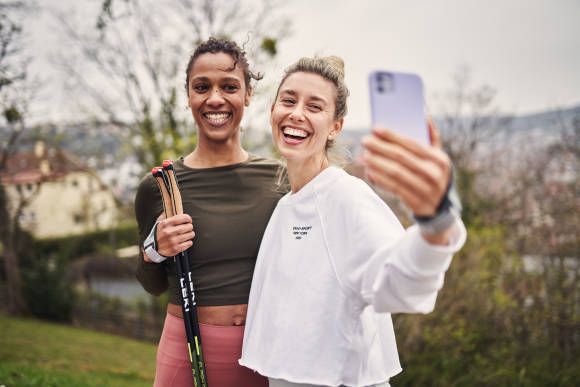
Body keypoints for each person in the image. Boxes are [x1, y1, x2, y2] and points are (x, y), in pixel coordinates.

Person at [239, 56, 467, 387]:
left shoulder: (347, 197)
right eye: (288, 100)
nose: (297, 113)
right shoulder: (287, 206)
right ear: (273, 110)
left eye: (315, 107)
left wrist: (435, 224)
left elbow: (400, 284)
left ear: (335, 127)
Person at [134, 37, 284, 387]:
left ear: (248, 95)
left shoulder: (282, 180)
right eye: (202, 87)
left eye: (229, 86)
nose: (215, 98)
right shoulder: (159, 185)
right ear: (188, 96)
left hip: (266, 355)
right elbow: (150, 284)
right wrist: (154, 250)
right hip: (185, 355)